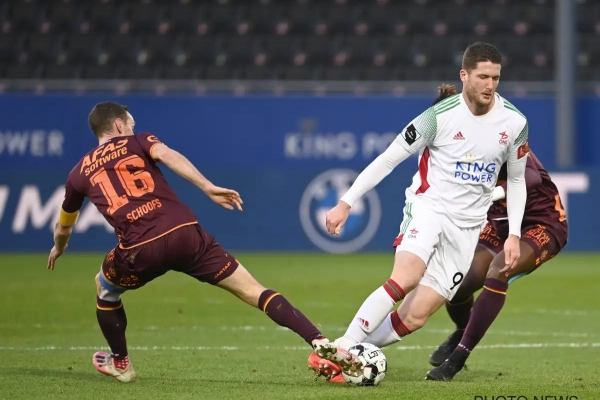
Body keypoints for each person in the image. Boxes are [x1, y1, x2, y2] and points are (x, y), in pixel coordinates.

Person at [47, 101, 350, 383]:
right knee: (254, 291)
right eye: (130, 124)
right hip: (185, 233)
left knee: (105, 288)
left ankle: (121, 364)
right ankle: (319, 340)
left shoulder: (78, 174)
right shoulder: (139, 141)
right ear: (118, 125)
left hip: (139, 249)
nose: (132, 128)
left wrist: (59, 248)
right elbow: (168, 156)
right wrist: (207, 187)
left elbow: (64, 226)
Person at [309, 42, 530, 381]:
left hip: (467, 228)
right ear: (464, 75)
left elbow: (516, 180)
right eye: (483, 77)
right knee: (407, 276)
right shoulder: (438, 117)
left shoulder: (514, 123)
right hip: (429, 208)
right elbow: (388, 159)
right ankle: (344, 346)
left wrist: (513, 234)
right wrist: (346, 201)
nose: (490, 85)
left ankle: (347, 354)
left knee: (415, 317)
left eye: (495, 78)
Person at [425, 121, 568, 380]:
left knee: (499, 270)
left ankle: (457, 359)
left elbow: (531, 177)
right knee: (457, 283)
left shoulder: (502, 137)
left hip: (542, 222)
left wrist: (490, 195)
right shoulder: (455, 148)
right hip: (500, 222)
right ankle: (463, 330)